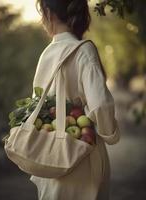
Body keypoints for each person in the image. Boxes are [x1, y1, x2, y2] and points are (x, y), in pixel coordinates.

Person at [29, 0, 121, 199]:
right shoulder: (83, 50)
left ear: (49, 13)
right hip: (82, 154)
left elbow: (37, 103)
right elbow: (101, 105)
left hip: (50, 155)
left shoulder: (47, 53)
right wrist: (110, 134)